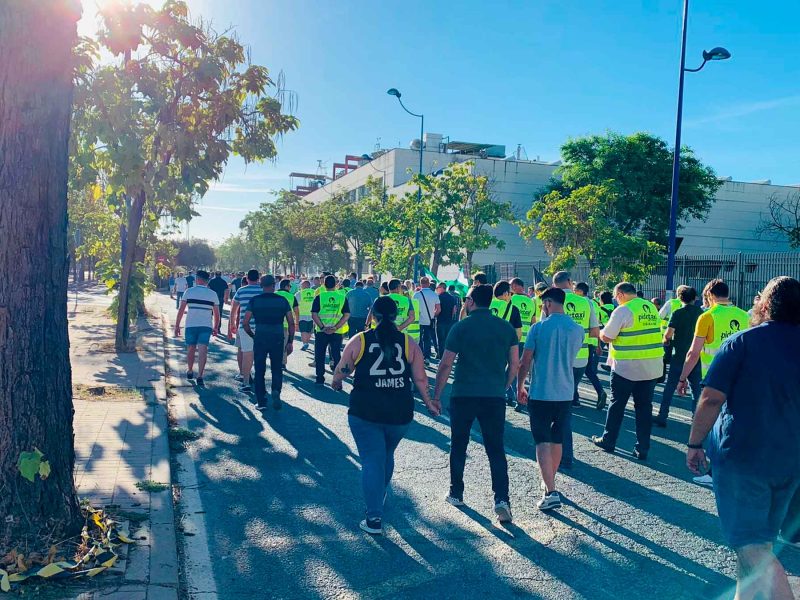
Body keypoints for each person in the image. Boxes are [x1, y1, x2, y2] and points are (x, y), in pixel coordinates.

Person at [686, 276, 800, 600]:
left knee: (752, 547)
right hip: (791, 462)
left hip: (744, 460)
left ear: (764, 304)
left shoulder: (742, 342)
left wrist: (695, 443)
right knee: (758, 542)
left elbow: (710, 399)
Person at [332, 296, 440, 535]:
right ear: (395, 317)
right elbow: (421, 379)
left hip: (365, 410)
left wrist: (336, 381)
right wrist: (430, 402)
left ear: (372, 315)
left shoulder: (360, 340)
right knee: (386, 453)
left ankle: (373, 517)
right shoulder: (408, 342)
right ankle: (379, 491)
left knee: (371, 460)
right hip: (399, 411)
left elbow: (344, 368)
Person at [434, 284, 519, 524]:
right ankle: (502, 499)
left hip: (463, 393)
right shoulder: (506, 328)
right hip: (493, 395)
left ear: (471, 301)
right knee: (495, 448)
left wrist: (436, 394)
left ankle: (456, 492)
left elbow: (446, 364)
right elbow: (515, 363)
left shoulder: (460, 327)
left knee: (459, 444)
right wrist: (505, 385)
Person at [677, 279, 750, 486]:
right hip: (740, 379)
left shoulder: (707, 316)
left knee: (711, 425)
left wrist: (682, 377)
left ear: (709, 294)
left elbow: (693, 353)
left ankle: (713, 473)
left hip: (714, 380)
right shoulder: (744, 315)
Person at [516, 287, 584, 511]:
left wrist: (520, 385)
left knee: (541, 440)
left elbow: (525, 361)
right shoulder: (577, 329)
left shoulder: (538, 328)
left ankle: (551, 489)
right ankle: (549, 483)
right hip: (565, 392)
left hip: (541, 392)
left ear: (547, 303)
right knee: (557, 440)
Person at [592, 282, 662, 460]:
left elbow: (608, 336)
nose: (615, 300)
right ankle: (642, 448)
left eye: (616, 297)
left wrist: (600, 333)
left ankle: (609, 440)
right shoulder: (650, 307)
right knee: (644, 408)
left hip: (627, 367)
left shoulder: (623, 310)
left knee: (617, 405)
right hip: (651, 367)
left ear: (621, 294)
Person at [552, 271, 600, 469]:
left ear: (554, 285)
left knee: (558, 409)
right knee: (566, 404)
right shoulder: (587, 302)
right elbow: (595, 331)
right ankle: (563, 454)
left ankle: (562, 455)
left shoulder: (551, 300)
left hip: (557, 360)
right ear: (570, 283)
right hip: (580, 359)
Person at [653, 285, 703, 427]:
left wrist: (666, 340)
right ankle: (696, 419)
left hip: (679, 354)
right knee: (696, 389)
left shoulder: (678, 313)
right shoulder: (702, 314)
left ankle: (662, 415)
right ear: (695, 298)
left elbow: (668, 334)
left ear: (680, 298)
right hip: (696, 355)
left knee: (670, 387)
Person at [243, 275, 295, 412]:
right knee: (276, 367)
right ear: (274, 285)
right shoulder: (282, 300)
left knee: (259, 369)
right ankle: (276, 390)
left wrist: (253, 335)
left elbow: (245, 322)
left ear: (261, 285)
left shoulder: (255, 301)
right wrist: (290, 341)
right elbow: (291, 322)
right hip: (277, 336)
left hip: (260, 336)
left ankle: (261, 401)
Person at [173, 270, 220, 387]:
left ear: (198, 279)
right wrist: (216, 327)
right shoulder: (213, 294)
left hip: (190, 325)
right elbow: (217, 314)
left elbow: (181, 310)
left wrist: (177, 325)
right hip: (206, 326)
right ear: (207, 280)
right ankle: (200, 375)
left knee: (191, 349)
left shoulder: (189, 292)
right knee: (203, 349)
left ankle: (189, 370)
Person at [572, 281, 607, 409]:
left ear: (581, 291)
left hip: (582, 341)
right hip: (591, 341)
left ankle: (575, 399)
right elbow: (596, 324)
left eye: (575, 290)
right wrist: (598, 344)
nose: (573, 292)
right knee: (586, 370)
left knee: (575, 369)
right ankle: (599, 392)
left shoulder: (582, 303)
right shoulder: (594, 304)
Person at [311, 275, 350, 387]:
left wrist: (323, 327)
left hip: (321, 331)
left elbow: (314, 314)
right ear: (336, 284)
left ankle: (319, 378)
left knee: (320, 355)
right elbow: (346, 315)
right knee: (336, 355)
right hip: (336, 332)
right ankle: (338, 380)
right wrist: (336, 327)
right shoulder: (342, 297)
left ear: (323, 284)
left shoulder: (319, 297)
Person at [228, 270, 262, 392]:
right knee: (259, 355)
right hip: (261, 327)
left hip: (245, 326)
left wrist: (232, 323)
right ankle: (259, 380)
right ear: (258, 278)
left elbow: (234, 309)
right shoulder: (262, 290)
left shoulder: (241, 291)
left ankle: (246, 382)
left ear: (247, 278)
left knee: (247, 354)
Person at [413, 276, 441, 363]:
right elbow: (438, 309)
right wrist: (433, 315)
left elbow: (413, 309)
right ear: (429, 284)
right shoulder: (434, 295)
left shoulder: (416, 295)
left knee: (419, 339)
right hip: (430, 320)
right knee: (427, 339)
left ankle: (420, 355)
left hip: (418, 321)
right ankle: (427, 356)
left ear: (421, 284)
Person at [276, 279, 300, 368]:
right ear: (286, 286)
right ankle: (282, 363)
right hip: (286, 325)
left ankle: (276, 360)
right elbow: (296, 311)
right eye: (290, 286)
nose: (290, 288)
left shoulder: (274, 294)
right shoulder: (291, 296)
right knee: (285, 345)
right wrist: (297, 323)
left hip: (273, 324)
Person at [435, 282, 456, 357]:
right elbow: (454, 310)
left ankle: (441, 358)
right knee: (447, 340)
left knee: (441, 340)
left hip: (440, 321)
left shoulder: (439, 297)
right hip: (449, 321)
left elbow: (438, 309)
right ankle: (446, 357)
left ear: (441, 288)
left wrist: (434, 315)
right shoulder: (451, 297)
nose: (437, 289)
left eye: (438, 288)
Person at [295, 279, 316, 351]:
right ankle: (306, 342)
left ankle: (305, 343)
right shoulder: (315, 292)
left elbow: (295, 305)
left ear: (303, 286)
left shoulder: (299, 293)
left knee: (303, 330)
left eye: (301, 285)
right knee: (309, 330)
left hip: (302, 315)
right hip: (312, 315)